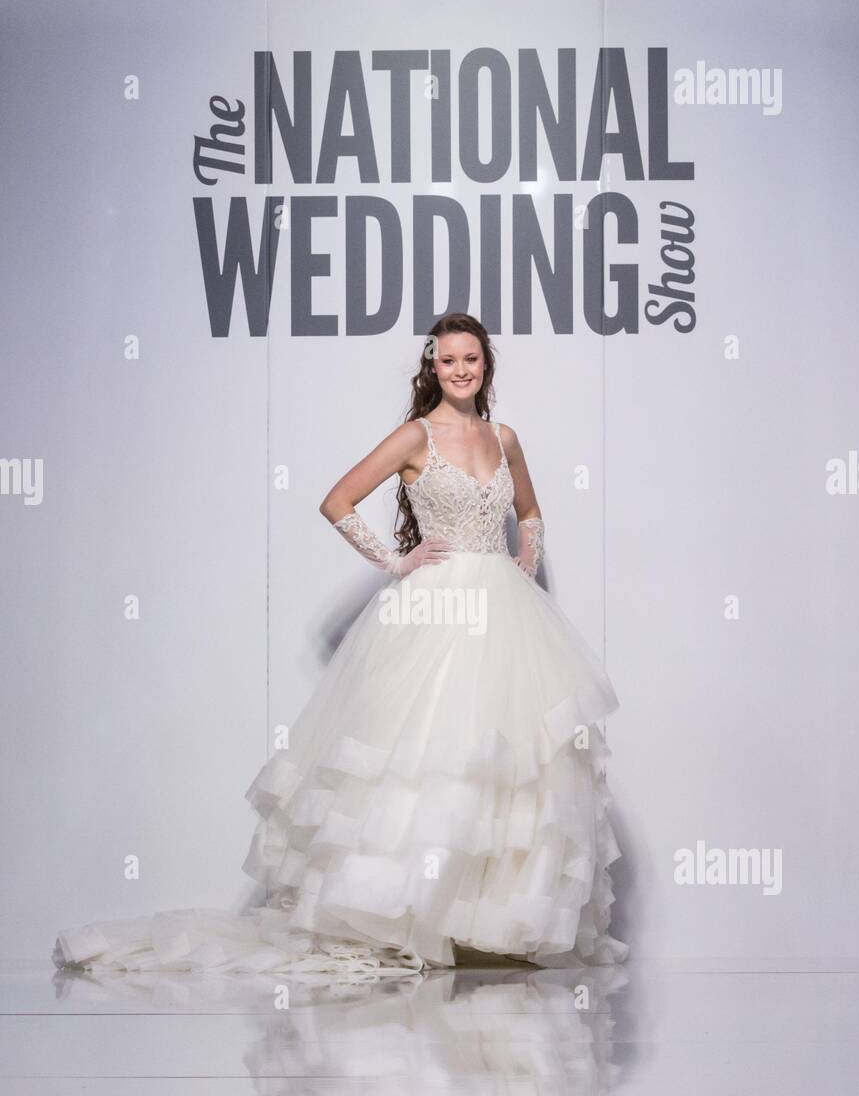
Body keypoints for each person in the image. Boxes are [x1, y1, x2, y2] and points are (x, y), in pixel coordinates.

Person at [53, 313, 627, 978]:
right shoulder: (417, 435)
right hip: (437, 609)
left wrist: (523, 564)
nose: (461, 370)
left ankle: (492, 925)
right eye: (448, 361)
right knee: (429, 762)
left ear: (486, 364)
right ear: (433, 367)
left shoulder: (505, 437)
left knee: (509, 764)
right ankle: (410, 916)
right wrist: (396, 561)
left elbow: (529, 512)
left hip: (505, 613)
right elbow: (338, 499)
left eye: (471, 358)